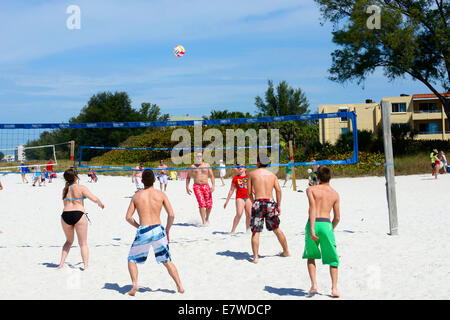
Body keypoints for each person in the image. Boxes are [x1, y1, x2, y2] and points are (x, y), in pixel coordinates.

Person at [125, 169, 184, 296]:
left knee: (132, 259)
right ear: (154, 180)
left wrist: (138, 226)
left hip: (144, 229)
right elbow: (171, 215)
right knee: (167, 261)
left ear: (141, 181)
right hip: (158, 229)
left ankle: (135, 284)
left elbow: (128, 217)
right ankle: (179, 286)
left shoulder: (137, 196)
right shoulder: (161, 194)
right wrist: (167, 229)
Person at [302, 166, 340, 298]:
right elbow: (337, 217)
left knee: (311, 256)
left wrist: (312, 228)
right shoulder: (335, 194)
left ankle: (314, 285)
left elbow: (312, 208)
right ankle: (334, 289)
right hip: (326, 224)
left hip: (313, 223)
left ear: (317, 177)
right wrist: (330, 229)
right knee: (333, 259)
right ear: (330, 177)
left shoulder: (310, 190)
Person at [58, 168, 104, 270]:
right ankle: (86, 266)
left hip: (65, 215)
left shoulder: (64, 189)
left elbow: (65, 203)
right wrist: (100, 203)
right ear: (76, 177)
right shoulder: (81, 187)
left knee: (68, 241)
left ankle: (61, 264)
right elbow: (94, 198)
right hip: (78, 214)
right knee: (83, 243)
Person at [247, 155, 290, 264]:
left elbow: (248, 192)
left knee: (256, 231)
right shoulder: (272, 175)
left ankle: (256, 257)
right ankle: (286, 251)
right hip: (270, 202)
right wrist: (278, 205)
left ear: (258, 162)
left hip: (258, 201)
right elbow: (279, 191)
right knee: (276, 229)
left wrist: (253, 202)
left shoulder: (252, 174)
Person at [186, 153, 215, 226]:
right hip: (197, 186)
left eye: (200, 156)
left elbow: (211, 176)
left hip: (206, 186)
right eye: (197, 156)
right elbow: (188, 177)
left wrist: (213, 185)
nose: (199, 158)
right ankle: (203, 222)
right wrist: (187, 187)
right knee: (202, 204)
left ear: (202, 157)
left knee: (209, 204)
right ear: (195, 158)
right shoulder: (192, 166)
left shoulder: (207, 165)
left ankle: (207, 218)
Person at [224, 164, 251, 234]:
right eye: (238, 167)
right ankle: (233, 231)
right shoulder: (235, 178)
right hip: (240, 198)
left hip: (248, 197)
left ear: (245, 169)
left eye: (242, 166)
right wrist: (227, 201)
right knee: (239, 214)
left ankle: (248, 230)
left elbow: (253, 187)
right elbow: (231, 190)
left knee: (249, 214)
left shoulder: (249, 177)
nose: (240, 168)